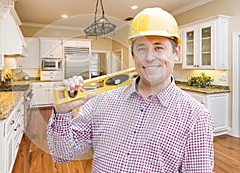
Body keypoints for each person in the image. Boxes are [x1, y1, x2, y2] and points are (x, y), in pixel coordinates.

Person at [47, 7, 214, 172]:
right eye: (141, 49)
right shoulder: (101, 100)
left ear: (176, 52)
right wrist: (62, 112)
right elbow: (62, 154)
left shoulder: (196, 117)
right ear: (133, 55)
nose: (149, 58)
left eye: (158, 48)